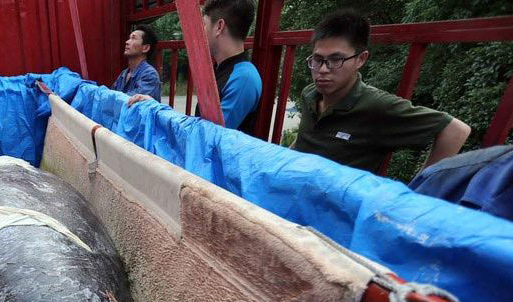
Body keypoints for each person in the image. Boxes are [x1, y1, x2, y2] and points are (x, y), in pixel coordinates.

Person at [291, 9, 471, 174]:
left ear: (361, 59)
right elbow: (304, 141)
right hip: (296, 189)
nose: (323, 69)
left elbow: (456, 130)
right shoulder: (310, 94)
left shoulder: (375, 106)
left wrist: (421, 188)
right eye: (317, 59)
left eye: (336, 59)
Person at [128, 0, 262, 135]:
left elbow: (207, 136)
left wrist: (159, 111)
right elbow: (202, 125)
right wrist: (157, 108)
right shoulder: (223, 69)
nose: (200, 31)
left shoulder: (244, 78)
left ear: (219, 27)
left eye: (203, 24)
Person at [111, 25, 162, 102]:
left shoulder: (149, 74)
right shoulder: (124, 73)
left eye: (133, 38)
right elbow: (111, 95)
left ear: (145, 48)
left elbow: (132, 102)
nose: (127, 42)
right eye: (129, 38)